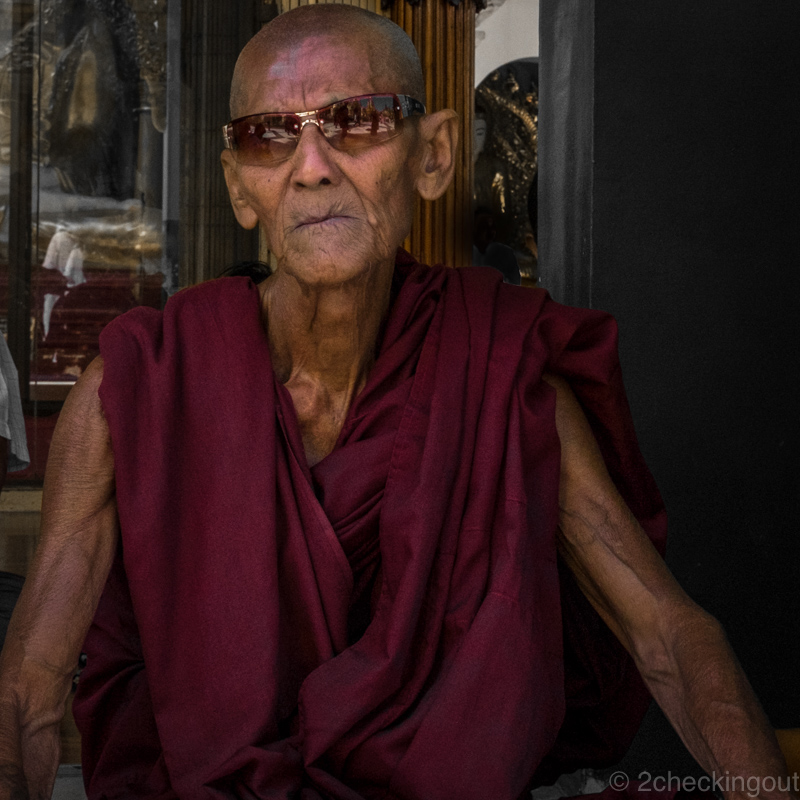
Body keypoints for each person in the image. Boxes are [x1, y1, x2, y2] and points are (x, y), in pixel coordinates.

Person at [0, 6, 794, 800]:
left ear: (436, 155)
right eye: (268, 135)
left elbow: (666, 633)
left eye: (358, 121)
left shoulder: (501, 382)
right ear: (239, 187)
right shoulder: (138, 393)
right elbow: (29, 692)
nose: (311, 166)